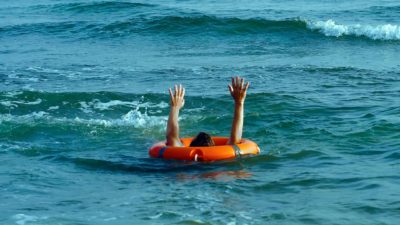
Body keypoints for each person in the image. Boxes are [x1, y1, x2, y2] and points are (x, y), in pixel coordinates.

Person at [166, 76, 250, 147]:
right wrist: (239, 102)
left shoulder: (184, 159)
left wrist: (175, 107)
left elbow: (172, 137)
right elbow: (235, 139)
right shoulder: (219, 160)